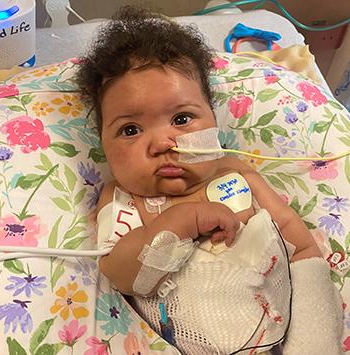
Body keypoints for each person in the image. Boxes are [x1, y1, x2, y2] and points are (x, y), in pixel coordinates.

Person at [76, 6, 343, 355]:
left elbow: (303, 249)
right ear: (104, 147)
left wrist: (313, 340)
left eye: (182, 118)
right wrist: (180, 223)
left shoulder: (234, 171)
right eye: (130, 130)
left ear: (213, 122)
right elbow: (121, 274)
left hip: (282, 334)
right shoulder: (125, 199)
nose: (163, 143)